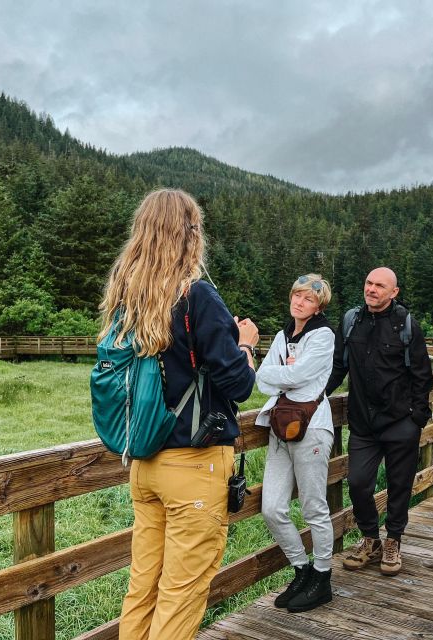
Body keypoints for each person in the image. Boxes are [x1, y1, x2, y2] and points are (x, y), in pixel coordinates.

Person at [104, 189, 259, 640]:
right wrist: (245, 342)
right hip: (193, 465)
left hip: (144, 462)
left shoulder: (125, 297)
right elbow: (239, 385)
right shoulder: (196, 296)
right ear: (190, 234)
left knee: (143, 586)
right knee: (182, 590)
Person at [325, 267, 433, 576]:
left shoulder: (406, 324)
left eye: (379, 285)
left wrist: (416, 420)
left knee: (399, 486)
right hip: (363, 424)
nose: (371, 289)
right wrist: (312, 396)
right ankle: (371, 538)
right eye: (368, 283)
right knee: (358, 483)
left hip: (400, 422)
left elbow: (422, 377)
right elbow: (337, 367)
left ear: (394, 292)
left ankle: (393, 540)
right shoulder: (351, 321)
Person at [255, 274, 336, 612]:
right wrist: (283, 372)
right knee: (271, 507)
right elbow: (263, 380)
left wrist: (285, 372)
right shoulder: (282, 335)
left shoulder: (324, 335)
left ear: (318, 306)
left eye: (307, 299)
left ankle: (323, 577)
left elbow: (296, 378)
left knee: (313, 507)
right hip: (280, 429)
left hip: (313, 428)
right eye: (296, 295)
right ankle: (301, 568)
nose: (299, 302)